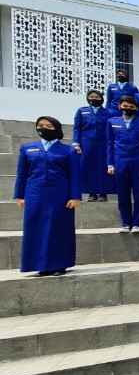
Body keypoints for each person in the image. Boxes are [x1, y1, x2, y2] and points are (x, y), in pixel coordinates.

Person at [14, 116, 81, 275]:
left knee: (58, 229)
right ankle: (39, 266)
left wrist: (75, 196)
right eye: (40, 125)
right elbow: (21, 174)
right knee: (35, 228)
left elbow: (75, 175)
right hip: (34, 194)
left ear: (57, 129)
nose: (43, 128)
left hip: (60, 195)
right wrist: (20, 195)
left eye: (48, 125)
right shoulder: (28, 148)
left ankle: (58, 265)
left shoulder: (68, 150)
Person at [106, 96, 139, 233]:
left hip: (138, 162)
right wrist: (110, 164)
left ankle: (137, 224)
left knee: (138, 194)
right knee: (122, 194)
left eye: (131, 106)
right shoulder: (112, 122)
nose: (128, 108)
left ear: (136, 108)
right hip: (120, 162)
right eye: (125, 105)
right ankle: (125, 223)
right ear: (120, 106)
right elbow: (109, 144)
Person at [73, 89, 113, 201]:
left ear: (101, 98)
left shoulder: (108, 113)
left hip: (103, 144)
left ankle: (103, 193)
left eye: (96, 96)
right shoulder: (82, 111)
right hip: (86, 144)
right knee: (88, 167)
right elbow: (77, 128)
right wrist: (76, 143)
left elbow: (111, 129)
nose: (94, 98)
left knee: (103, 167)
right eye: (91, 96)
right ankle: (92, 193)